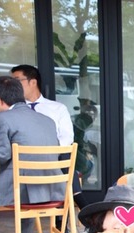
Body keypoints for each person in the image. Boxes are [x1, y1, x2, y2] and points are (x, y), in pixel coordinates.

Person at [0, 76, 64, 233]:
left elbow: (2, 155)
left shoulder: (3, 119)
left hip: (21, 191)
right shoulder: (47, 120)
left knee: (19, 178)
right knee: (23, 177)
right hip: (51, 189)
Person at [11, 65, 86, 210]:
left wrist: (48, 152)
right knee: (64, 162)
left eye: (17, 81)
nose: (13, 86)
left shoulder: (57, 108)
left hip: (54, 159)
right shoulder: (12, 111)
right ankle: (83, 206)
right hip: (23, 161)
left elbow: (67, 137)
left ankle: (66, 215)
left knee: (65, 155)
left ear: (33, 82)